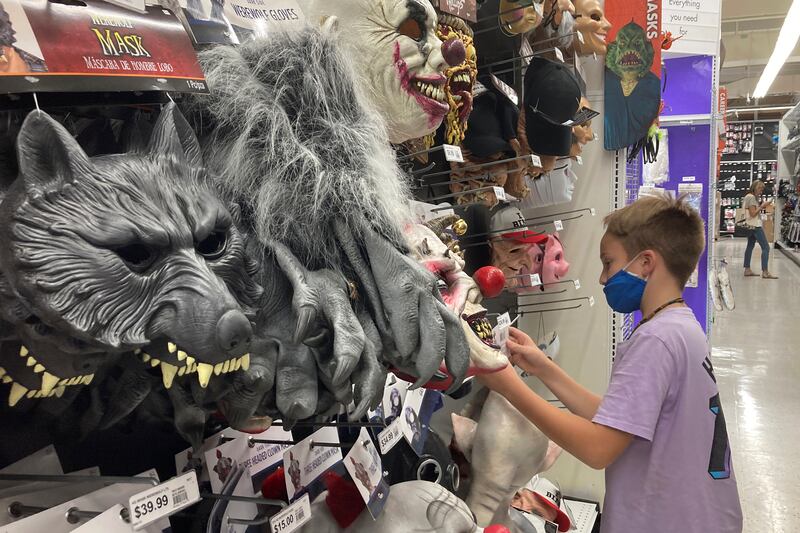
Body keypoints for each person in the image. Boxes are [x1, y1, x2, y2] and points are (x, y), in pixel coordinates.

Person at [480, 193, 742, 533]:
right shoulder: (681, 328)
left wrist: (507, 385)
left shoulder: (656, 341)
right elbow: (619, 419)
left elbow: (598, 448)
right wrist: (543, 368)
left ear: (646, 262)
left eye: (609, 263)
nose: (603, 278)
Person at [742, 180, 777, 279]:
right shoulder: (752, 198)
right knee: (766, 247)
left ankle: (747, 269)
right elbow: (753, 214)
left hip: (749, 225)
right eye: (760, 188)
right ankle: (765, 272)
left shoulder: (747, 196)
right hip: (755, 226)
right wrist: (762, 206)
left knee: (750, 246)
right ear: (754, 187)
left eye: (762, 189)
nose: (761, 191)